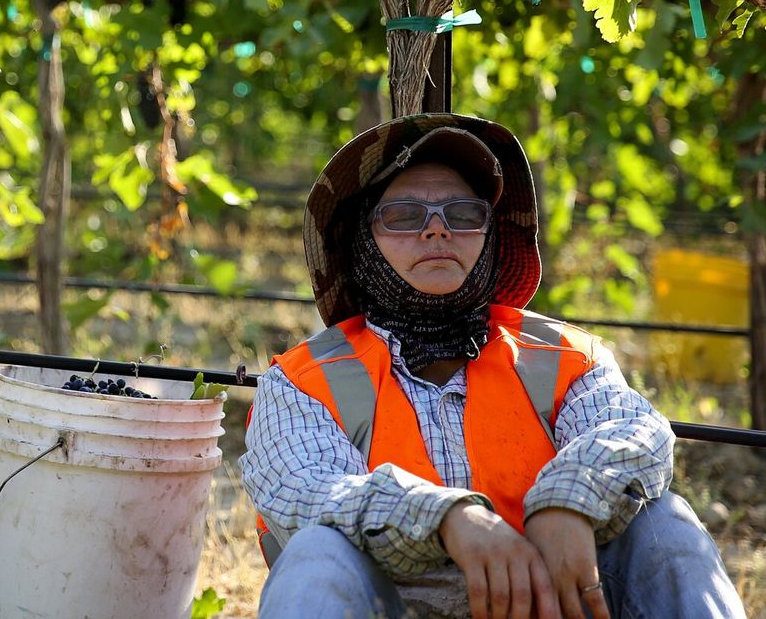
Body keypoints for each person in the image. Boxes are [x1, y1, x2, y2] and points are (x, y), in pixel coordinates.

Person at [240, 114, 746, 619]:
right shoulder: (303, 381)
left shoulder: (563, 356)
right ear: (363, 240)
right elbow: (308, 492)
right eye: (403, 216)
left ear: (489, 234)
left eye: (462, 214)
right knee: (315, 555)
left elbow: (636, 434)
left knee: (665, 523)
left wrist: (567, 502)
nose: (437, 230)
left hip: (553, 604)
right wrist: (448, 517)